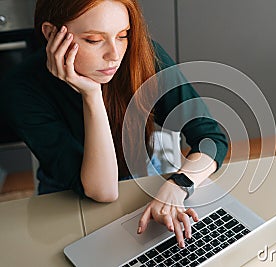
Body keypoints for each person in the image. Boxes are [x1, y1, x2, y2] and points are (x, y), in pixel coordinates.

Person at [0, 0, 227, 248]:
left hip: (140, 172)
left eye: (122, 35)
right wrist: (92, 95)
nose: (114, 55)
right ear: (51, 33)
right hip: (65, 194)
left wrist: (177, 186)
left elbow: (211, 138)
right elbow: (103, 192)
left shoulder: (142, 54)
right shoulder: (20, 88)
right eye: (94, 40)